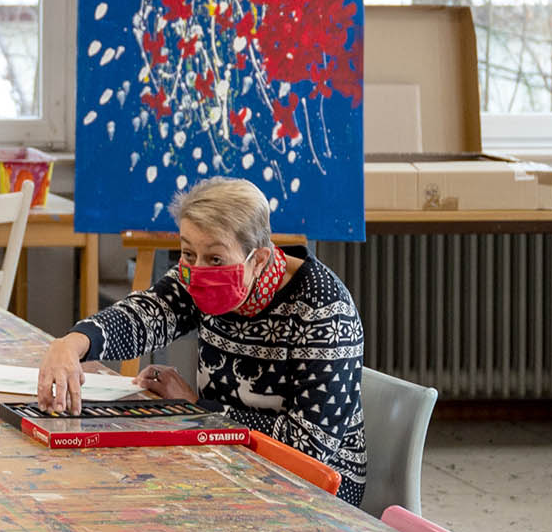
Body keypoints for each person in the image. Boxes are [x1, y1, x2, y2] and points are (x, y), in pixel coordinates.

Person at [34, 177, 370, 505]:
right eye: (187, 253)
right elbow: (143, 316)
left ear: (260, 259)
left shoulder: (324, 309)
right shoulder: (200, 275)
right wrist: (73, 344)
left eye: (215, 258)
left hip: (316, 494)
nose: (197, 270)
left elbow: (307, 446)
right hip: (223, 458)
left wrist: (197, 408)